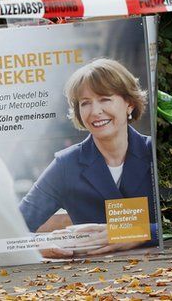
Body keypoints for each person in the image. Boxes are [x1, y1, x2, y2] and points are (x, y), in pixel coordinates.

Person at [18, 58, 158, 258]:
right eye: (85, 103)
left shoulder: (153, 152)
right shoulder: (66, 165)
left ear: (129, 103)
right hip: (90, 277)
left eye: (105, 99)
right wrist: (36, 243)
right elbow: (14, 229)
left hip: (165, 270)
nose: (95, 111)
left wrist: (138, 233)